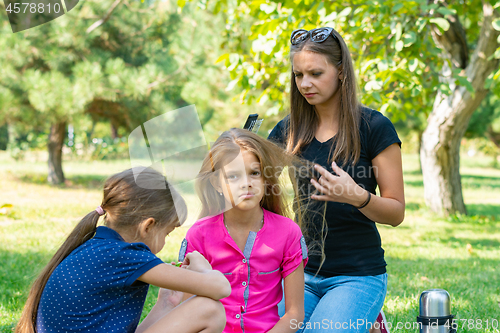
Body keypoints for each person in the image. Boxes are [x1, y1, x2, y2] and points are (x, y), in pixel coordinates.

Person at [268, 27, 405, 333]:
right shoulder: (288, 130)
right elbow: (254, 182)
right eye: (298, 75)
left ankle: (368, 318)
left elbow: (396, 212)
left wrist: (357, 196)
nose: (305, 84)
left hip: (356, 275)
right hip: (297, 272)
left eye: (316, 73)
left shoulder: (374, 127)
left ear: (341, 71)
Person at [15, 167, 231, 333]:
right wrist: (203, 268)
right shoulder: (127, 256)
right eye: (167, 233)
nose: (165, 241)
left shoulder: (98, 246)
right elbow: (221, 288)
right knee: (209, 310)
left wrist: (168, 301)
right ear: (148, 226)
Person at [178, 128, 309, 333]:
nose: (246, 184)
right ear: (216, 183)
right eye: (233, 176)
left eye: (254, 173)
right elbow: (185, 309)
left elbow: (295, 314)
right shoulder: (199, 235)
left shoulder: (288, 232)